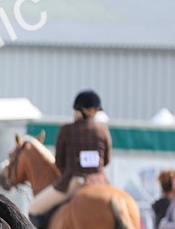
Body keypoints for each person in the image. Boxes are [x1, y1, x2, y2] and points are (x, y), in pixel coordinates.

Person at [27, 90, 113, 218]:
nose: (96, 112)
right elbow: (106, 161)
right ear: (86, 109)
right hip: (101, 182)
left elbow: (59, 162)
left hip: (73, 182)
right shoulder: (103, 130)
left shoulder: (66, 130)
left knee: (33, 208)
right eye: (95, 109)